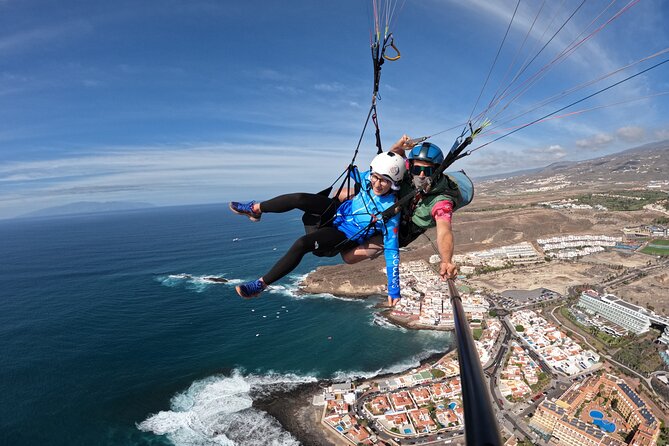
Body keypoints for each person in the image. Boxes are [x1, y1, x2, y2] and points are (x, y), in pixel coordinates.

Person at [229, 151, 406, 306]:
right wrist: (352, 171)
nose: (377, 184)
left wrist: (394, 290)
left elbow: (392, 250)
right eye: (375, 177)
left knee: (301, 244)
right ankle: (255, 209)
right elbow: (365, 173)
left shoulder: (390, 211)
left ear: (394, 183)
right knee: (299, 198)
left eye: (384, 181)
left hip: (343, 234)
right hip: (336, 211)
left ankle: (261, 285)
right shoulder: (369, 178)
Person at [342, 136, 461, 280]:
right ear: (411, 167)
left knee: (348, 257)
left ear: (436, 172)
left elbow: (444, 230)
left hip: (400, 231)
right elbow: (391, 159)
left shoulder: (441, 201)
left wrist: (446, 260)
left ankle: (376, 245)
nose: (422, 175)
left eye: (427, 171)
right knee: (341, 193)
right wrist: (399, 145)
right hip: (385, 207)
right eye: (418, 169)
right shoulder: (407, 173)